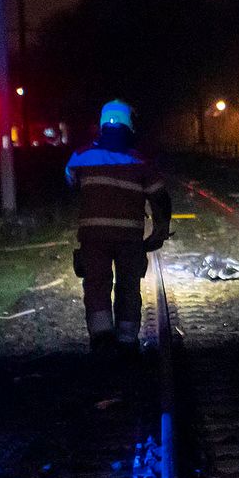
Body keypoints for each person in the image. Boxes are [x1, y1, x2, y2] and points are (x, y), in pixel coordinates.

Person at [65, 100, 171, 356]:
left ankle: (101, 338)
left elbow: (71, 183)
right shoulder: (140, 161)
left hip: (93, 236)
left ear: (102, 125)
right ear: (129, 126)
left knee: (96, 284)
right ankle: (126, 341)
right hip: (130, 237)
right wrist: (159, 230)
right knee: (128, 286)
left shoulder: (80, 156)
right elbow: (160, 197)